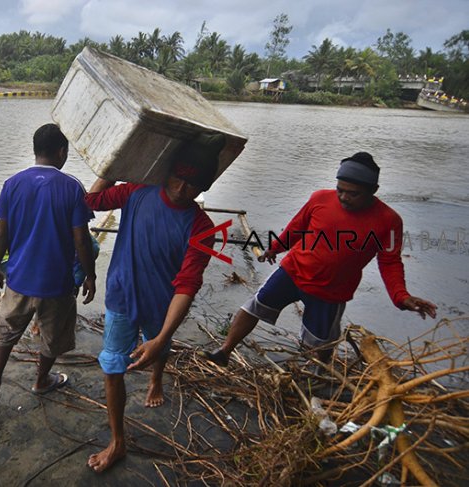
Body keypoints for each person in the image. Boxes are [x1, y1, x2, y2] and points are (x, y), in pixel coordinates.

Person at [205, 152, 437, 367]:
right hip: (293, 272)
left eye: (353, 193)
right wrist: (275, 249)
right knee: (253, 307)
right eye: (340, 190)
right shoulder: (320, 199)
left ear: (373, 190)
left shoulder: (389, 221)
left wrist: (401, 296)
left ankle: (319, 372)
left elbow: (390, 262)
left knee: (321, 341)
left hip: (330, 290)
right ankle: (224, 351)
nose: (344, 197)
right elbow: (296, 229)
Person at [85, 134, 223, 472]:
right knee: (112, 366)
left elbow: (187, 285)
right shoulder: (136, 191)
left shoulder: (203, 228)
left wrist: (161, 338)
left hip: (163, 306)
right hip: (121, 296)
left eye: (193, 184)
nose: (181, 188)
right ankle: (117, 441)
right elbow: (92, 201)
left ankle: (157, 377)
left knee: (159, 348)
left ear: (203, 187)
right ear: (166, 171)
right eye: (178, 177)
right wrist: (117, 162)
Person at [0, 123, 96, 412]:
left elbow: (0, 233)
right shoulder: (72, 187)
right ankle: (41, 381)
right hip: (57, 282)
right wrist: (90, 275)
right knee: (53, 337)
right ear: (62, 152)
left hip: (19, 277)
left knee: (5, 330)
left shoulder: (12, 184)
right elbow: (81, 239)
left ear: (35, 150)